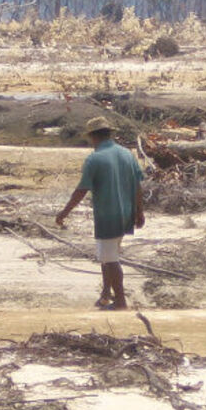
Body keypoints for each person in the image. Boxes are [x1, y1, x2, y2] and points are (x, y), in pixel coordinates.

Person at [55, 116, 144, 310]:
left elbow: (81, 190)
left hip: (107, 214)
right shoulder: (127, 154)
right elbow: (137, 185)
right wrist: (140, 212)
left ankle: (120, 301)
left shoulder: (94, 159)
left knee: (110, 258)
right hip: (126, 213)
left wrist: (64, 212)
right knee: (107, 255)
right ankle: (106, 294)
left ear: (93, 137)